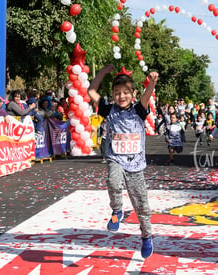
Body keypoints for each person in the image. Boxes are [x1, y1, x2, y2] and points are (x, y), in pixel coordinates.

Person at [87, 64, 158, 259]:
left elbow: (146, 96)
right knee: (112, 179)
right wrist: (101, 72)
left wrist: (152, 83)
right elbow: (91, 91)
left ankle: (146, 236)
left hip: (135, 165)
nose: (121, 96)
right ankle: (117, 211)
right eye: (117, 93)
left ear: (133, 93)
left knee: (142, 205)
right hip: (115, 158)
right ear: (112, 94)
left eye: (125, 92)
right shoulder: (109, 110)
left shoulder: (139, 110)